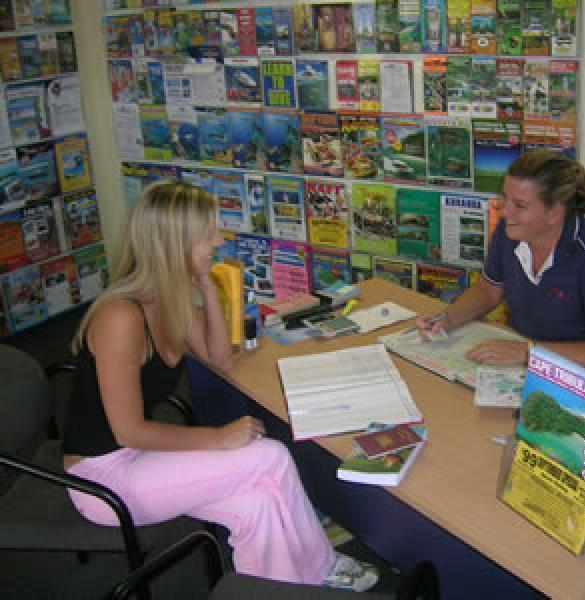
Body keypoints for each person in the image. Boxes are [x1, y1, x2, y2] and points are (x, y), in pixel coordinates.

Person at [61, 181, 378, 592]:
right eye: (207, 233)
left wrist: (209, 289)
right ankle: (319, 567)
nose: (218, 240)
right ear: (177, 244)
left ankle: (279, 587)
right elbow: (128, 431)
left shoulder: (170, 298)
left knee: (259, 506)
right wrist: (218, 437)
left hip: (139, 456)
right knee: (270, 457)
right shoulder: (120, 317)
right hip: (102, 478)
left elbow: (220, 359)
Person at [416, 150, 585, 372]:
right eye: (505, 198)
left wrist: (527, 352)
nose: (505, 212)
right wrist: (446, 319)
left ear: (555, 212)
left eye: (520, 205)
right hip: (526, 357)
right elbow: (488, 290)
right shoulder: (509, 231)